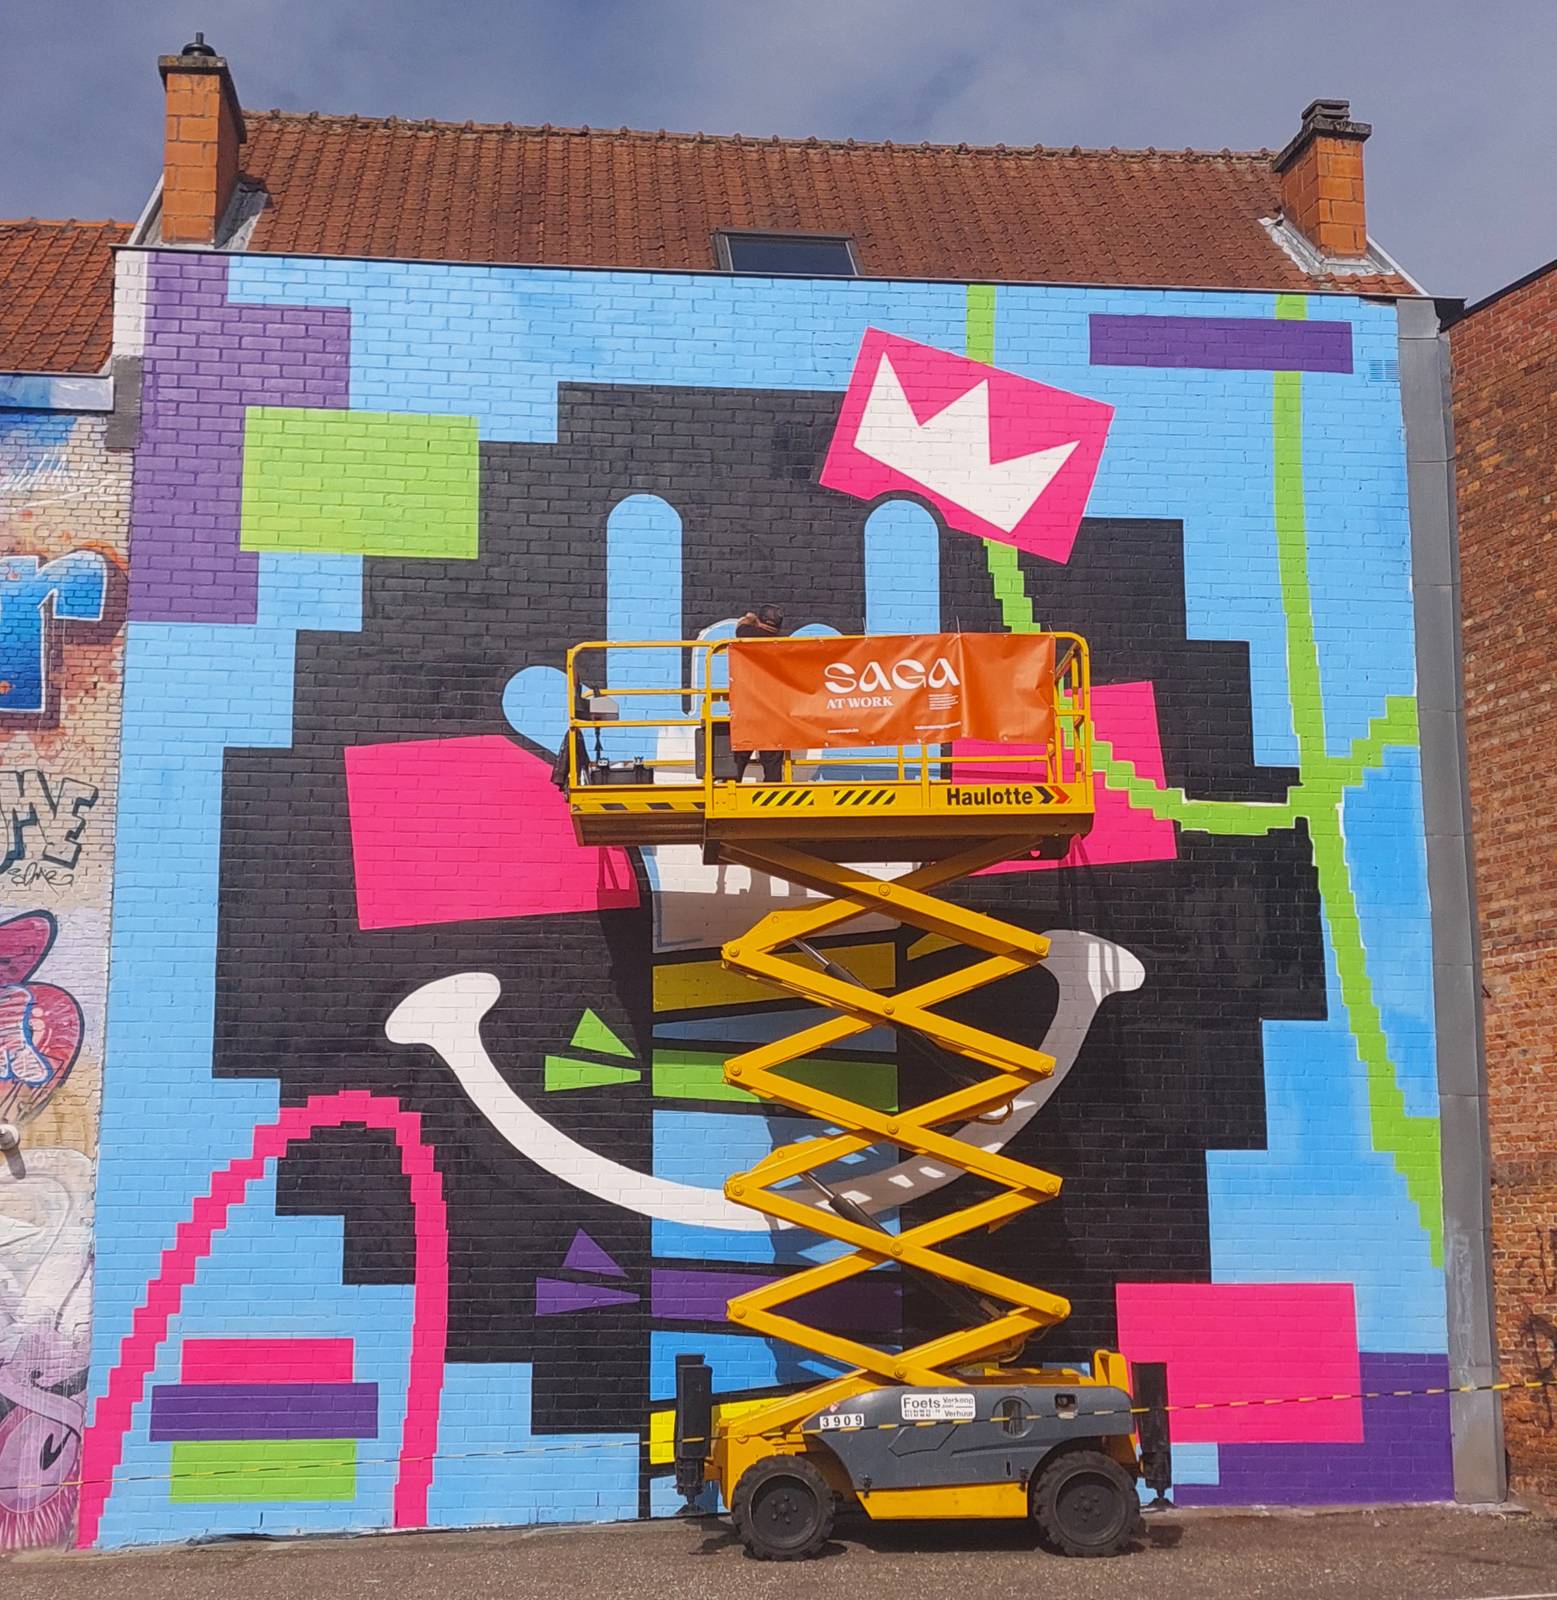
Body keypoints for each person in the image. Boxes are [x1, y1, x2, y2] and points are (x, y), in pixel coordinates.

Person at [731, 604, 786, 783]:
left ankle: (730, 789)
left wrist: (750, 618)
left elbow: (740, 625)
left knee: (739, 754)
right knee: (772, 760)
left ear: (760, 620)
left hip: (748, 705)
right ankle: (773, 793)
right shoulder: (783, 645)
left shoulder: (747, 635)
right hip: (773, 709)